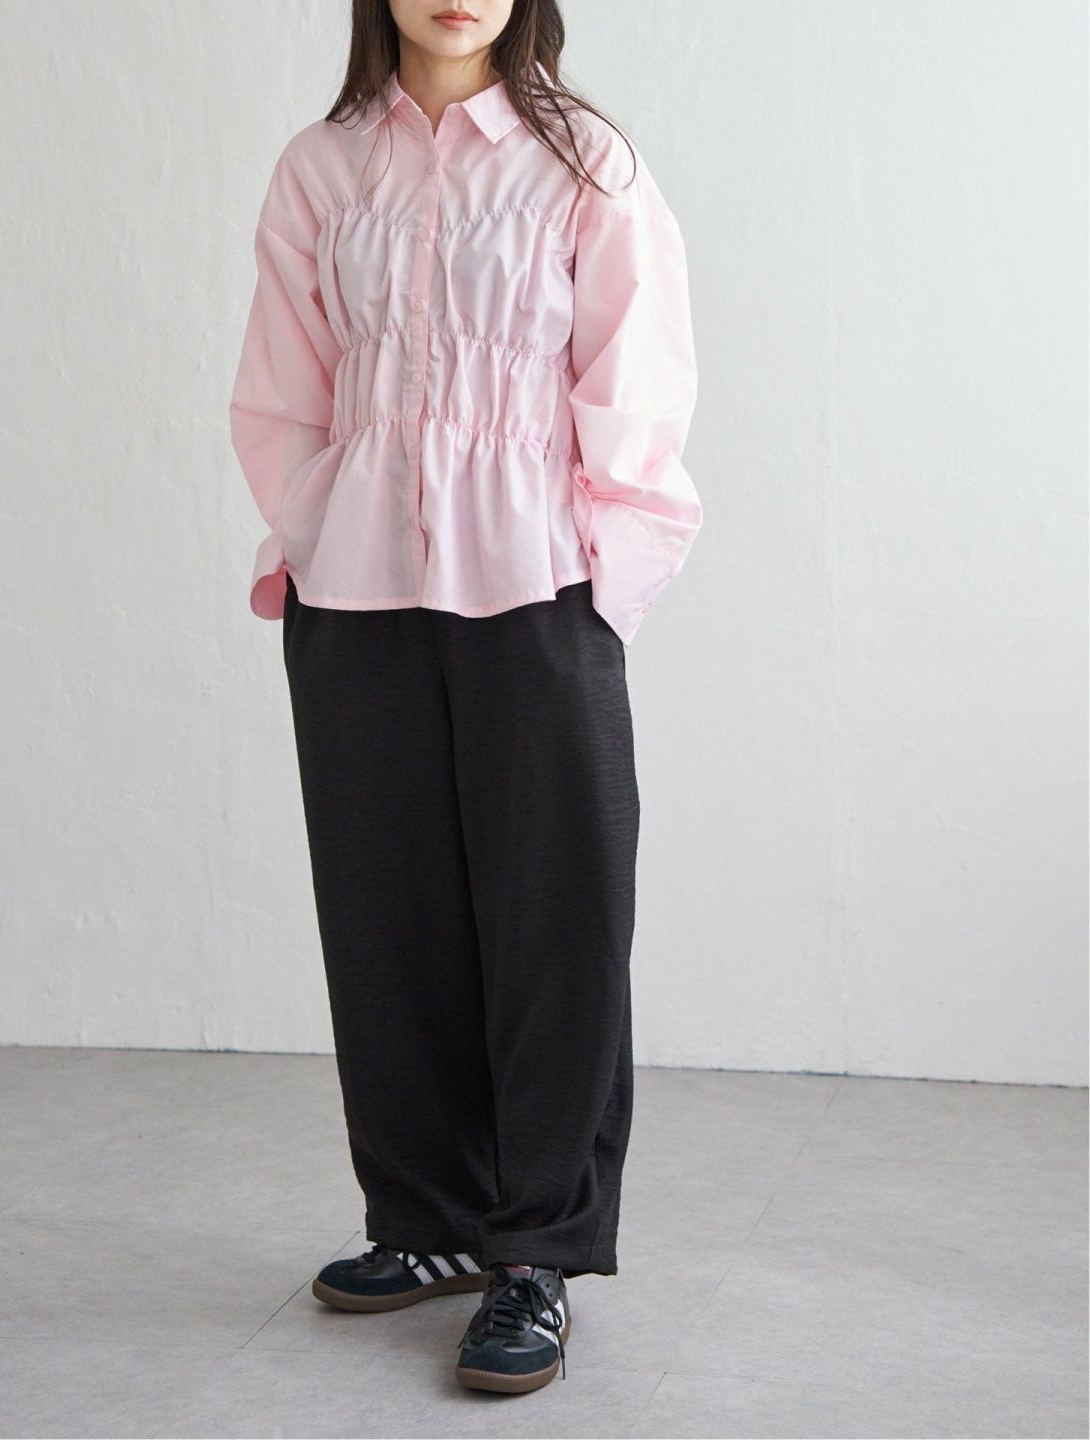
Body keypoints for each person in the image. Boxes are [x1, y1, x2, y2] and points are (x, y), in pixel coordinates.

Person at [228, 0, 702, 1397]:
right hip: (357, 583)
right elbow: (284, 390)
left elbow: (637, 384)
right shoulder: (323, 167)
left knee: (558, 922)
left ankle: (536, 1251)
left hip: (539, 583)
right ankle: (429, 1218)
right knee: (388, 917)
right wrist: (317, 533)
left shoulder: (586, 163)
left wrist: (601, 583)